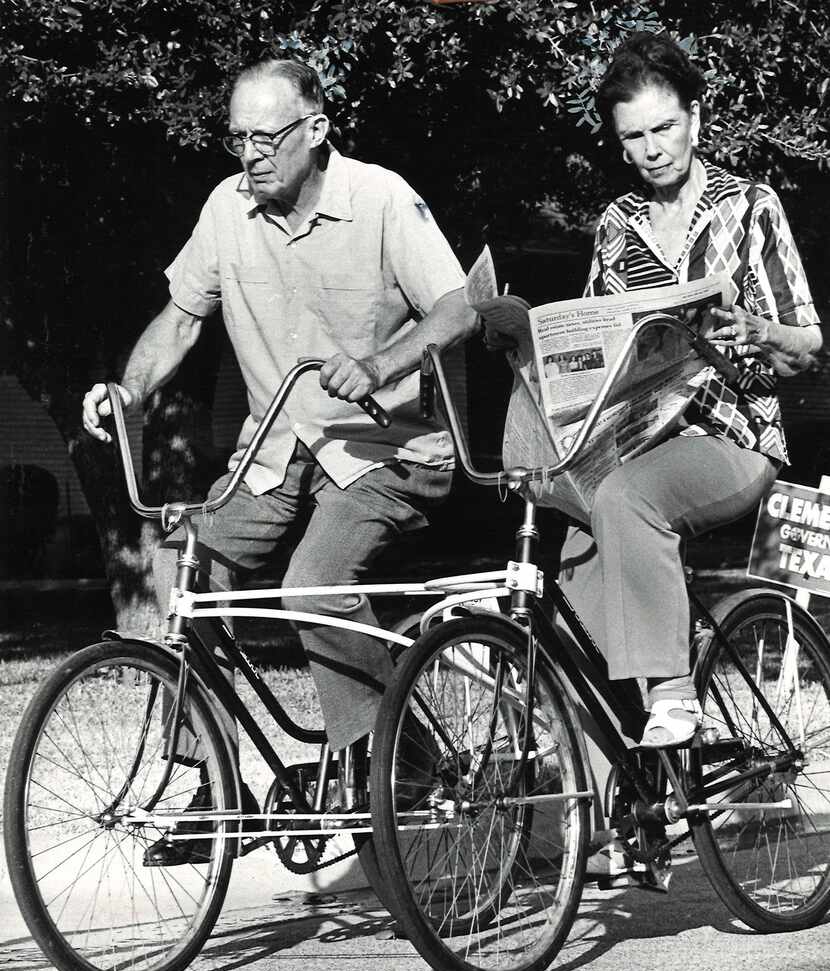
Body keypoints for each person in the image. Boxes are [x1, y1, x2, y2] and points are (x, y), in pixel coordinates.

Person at [82, 57, 477, 864]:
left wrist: (380, 366)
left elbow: (460, 306)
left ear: (317, 130)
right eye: (237, 138)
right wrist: (127, 394)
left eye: (266, 136)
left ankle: (388, 763)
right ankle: (212, 777)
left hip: (386, 448)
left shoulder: (380, 198)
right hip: (276, 449)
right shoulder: (226, 209)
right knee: (180, 561)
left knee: (315, 578)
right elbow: (180, 323)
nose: (250, 155)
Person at [485, 32, 822, 749]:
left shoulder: (752, 206)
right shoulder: (615, 225)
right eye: (633, 136)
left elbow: (809, 347)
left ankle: (672, 693)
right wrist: (529, 344)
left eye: (665, 128)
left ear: (697, 120)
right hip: (631, 437)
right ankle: (620, 823)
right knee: (569, 556)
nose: (652, 148)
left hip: (731, 434)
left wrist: (759, 330)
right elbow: (592, 347)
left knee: (626, 500)